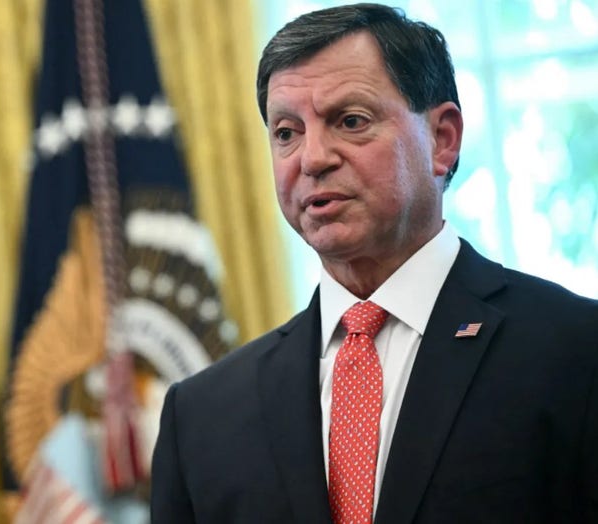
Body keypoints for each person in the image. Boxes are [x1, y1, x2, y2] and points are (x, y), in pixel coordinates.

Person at [149, 3, 598, 523]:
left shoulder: (577, 350)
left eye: (350, 121)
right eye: (287, 132)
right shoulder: (199, 415)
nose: (312, 158)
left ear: (442, 139)